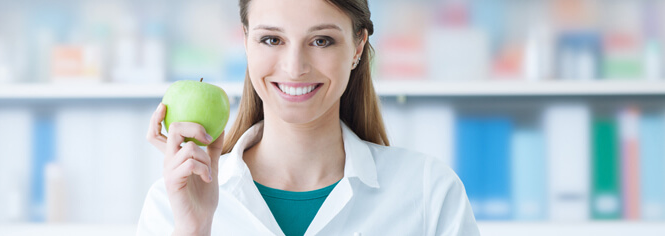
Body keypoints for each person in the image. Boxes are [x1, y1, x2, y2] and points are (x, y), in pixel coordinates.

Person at [138, 0, 479, 235]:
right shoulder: (173, 203)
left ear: (358, 47)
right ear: (246, 42)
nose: (294, 67)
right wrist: (195, 229)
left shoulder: (429, 192)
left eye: (321, 41)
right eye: (272, 39)